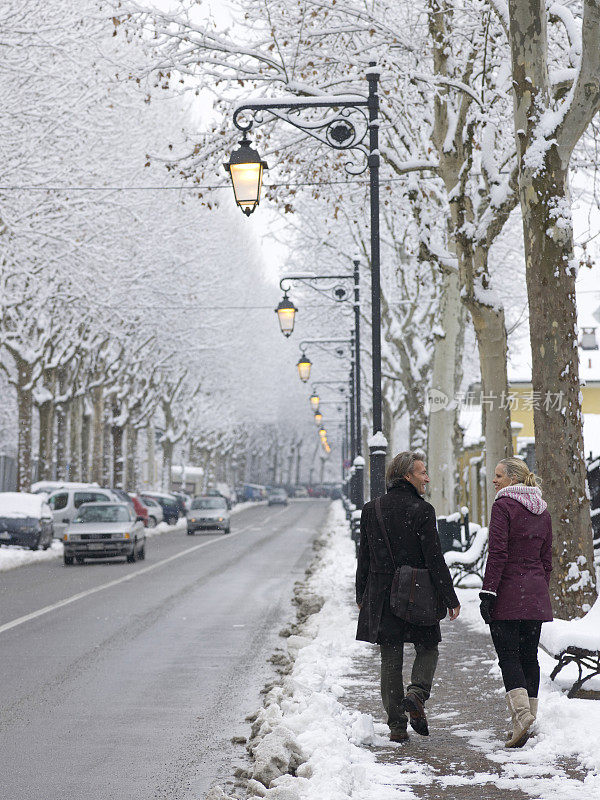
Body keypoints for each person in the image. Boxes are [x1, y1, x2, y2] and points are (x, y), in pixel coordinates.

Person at [356, 451, 461, 742]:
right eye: (422, 472)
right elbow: (435, 559)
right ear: (407, 476)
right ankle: (416, 693)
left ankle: (397, 726)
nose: (427, 478)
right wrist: (450, 597)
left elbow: (363, 556)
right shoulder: (422, 511)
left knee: (391, 658)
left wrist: (360, 593)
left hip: (381, 593)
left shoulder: (371, 509)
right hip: (419, 593)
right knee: (428, 647)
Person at [479, 457, 553, 749]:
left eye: (498, 476)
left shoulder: (503, 506)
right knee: (529, 657)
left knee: (509, 656)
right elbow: (546, 559)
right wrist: (537, 588)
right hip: (534, 593)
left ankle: (521, 717)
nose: (494, 481)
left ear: (512, 479)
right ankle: (529, 718)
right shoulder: (543, 510)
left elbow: (497, 553)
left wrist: (488, 592)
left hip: (508, 591)